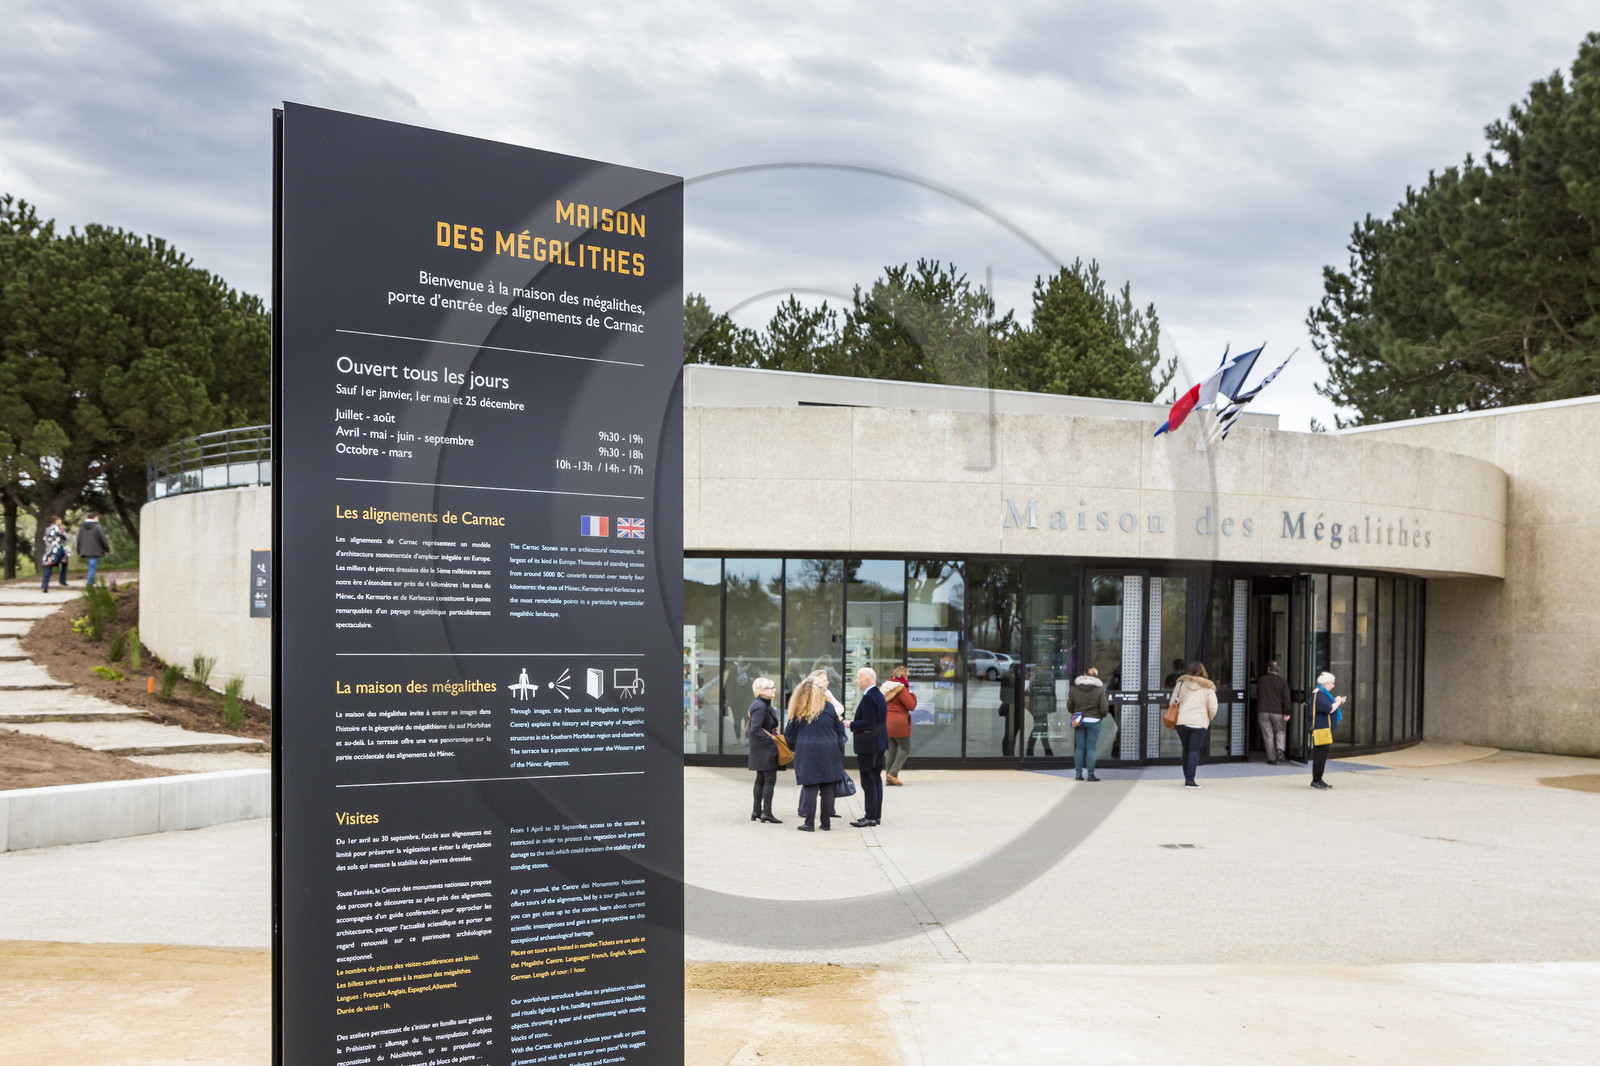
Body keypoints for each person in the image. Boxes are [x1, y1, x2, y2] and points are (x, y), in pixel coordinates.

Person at [783, 675, 846, 831]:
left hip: (807, 752)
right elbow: (839, 732)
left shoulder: (799, 709)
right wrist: (837, 745)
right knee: (828, 788)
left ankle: (809, 823)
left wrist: (795, 748)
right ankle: (826, 823)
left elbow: (789, 734)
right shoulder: (829, 707)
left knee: (810, 787)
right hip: (829, 751)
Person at [847, 666, 889, 827]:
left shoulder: (869, 697)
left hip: (869, 745)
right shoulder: (877, 695)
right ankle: (875, 815)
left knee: (868, 780)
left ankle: (870, 816)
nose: (856, 680)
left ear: (867, 679)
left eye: (859, 677)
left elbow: (868, 722)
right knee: (875, 778)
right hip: (878, 743)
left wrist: (850, 723)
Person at [1171, 661, 1218, 788]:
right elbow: (1213, 707)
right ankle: (1190, 780)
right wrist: (1208, 718)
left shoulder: (1181, 684)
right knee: (1194, 750)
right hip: (1199, 723)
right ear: (1202, 671)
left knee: (1186, 749)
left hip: (1182, 721)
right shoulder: (1208, 687)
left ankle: (1187, 776)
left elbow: (1172, 702)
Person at [745, 677, 783, 823]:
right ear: (761, 691)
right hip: (764, 750)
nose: (774, 689)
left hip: (760, 749)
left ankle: (757, 811)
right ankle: (766, 812)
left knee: (761, 779)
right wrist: (771, 740)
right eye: (770, 687)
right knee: (769, 780)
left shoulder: (761, 704)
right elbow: (755, 729)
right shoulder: (760, 706)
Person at [1067, 666, 1110, 781]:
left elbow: (1069, 706)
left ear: (1085, 675)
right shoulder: (1100, 690)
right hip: (1094, 721)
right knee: (1091, 749)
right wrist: (1100, 716)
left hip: (1079, 721)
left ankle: (1078, 774)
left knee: (1079, 748)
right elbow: (1104, 708)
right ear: (1096, 676)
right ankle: (1090, 774)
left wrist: (1077, 713)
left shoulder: (1076, 689)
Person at [1310, 671, 1345, 790]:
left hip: (1322, 728)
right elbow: (1329, 709)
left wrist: (1337, 702)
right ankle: (1316, 780)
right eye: (1332, 683)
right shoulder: (1320, 694)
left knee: (1321, 755)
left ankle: (1318, 779)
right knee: (1320, 755)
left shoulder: (1320, 693)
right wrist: (1338, 702)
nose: (1333, 685)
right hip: (1321, 728)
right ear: (1325, 683)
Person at [881, 666, 916, 785]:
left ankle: (888, 779)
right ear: (904, 676)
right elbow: (911, 705)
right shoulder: (901, 688)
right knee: (906, 748)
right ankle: (893, 773)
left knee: (891, 750)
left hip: (887, 722)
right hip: (898, 723)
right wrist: (912, 694)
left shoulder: (886, 686)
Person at [1257, 661, 1292, 764]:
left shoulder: (1261, 680)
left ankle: (1271, 759)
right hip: (1277, 711)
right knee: (1280, 731)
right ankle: (1280, 749)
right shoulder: (1282, 682)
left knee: (1268, 735)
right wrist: (1287, 712)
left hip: (1263, 711)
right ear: (1278, 670)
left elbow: (1258, 694)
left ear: (1268, 669)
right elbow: (1286, 698)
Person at [75, 513, 111, 587]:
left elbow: (79, 540)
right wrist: (107, 549)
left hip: (85, 550)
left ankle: (92, 581)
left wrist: (78, 551)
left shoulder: (82, 528)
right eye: (97, 518)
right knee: (92, 567)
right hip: (95, 550)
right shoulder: (97, 527)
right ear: (94, 518)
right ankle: (89, 584)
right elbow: (103, 538)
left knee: (91, 566)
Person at [39, 516, 69, 592]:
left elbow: (65, 537)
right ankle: (45, 585)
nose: (60, 521)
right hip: (54, 550)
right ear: (55, 521)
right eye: (58, 520)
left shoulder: (57, 529)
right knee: (50, 565)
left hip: (58, 549)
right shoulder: (54, 529)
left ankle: (46, 585)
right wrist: (49, 554)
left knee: (62, 563)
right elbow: (50, 540)